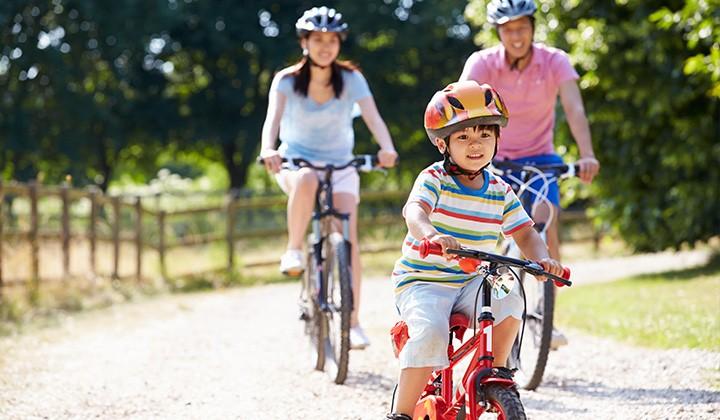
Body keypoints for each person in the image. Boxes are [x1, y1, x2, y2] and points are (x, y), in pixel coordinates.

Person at [386, 80, 563, 420]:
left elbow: (525, 231)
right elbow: (414, 212)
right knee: (430, 334)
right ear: (443, 143)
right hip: (425, 279)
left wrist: (541, 259)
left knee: (511, 297)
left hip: (473, 279)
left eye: (484, 135)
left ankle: (493, 373)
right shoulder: (434, 178)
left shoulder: (499, 188)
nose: (475, 144)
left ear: (497, 139)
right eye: (463, 137)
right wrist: (432, 235)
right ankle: (401, 414)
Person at [459, 0, 600, 348]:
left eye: (522, 27)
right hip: (495, 158)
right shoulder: (483, 63)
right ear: (498, 32)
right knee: (483, 230)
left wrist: (586, 155)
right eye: (508, 29)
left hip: (541, 159)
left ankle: (545, 319)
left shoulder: (554, 61)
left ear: (533, 28)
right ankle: (474, 307)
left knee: (544, 221)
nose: (516, 36)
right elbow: (459, 104)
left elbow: (575, 108)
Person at [259, 6, 398, 349]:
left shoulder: (351, 79)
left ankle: (352, 323)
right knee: (305, 180)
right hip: (296, 162)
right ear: (304, 42)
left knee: (347, 238)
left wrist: (387, 147)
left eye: (332, 40)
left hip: (340, 166)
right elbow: (272, 121)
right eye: (317, 39)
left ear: (339, 44)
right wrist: (268, 149)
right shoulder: (287, 80)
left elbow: (374, 118)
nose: (325, 46)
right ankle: (293, 250)